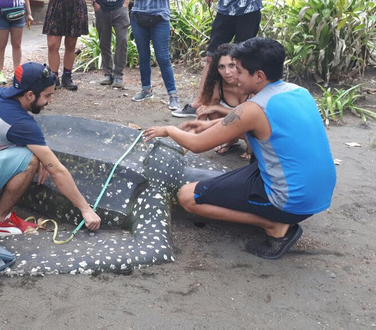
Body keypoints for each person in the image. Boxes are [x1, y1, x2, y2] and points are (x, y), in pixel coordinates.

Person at [144, 38, 336, 260]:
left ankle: (274, 225)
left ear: (259, 76)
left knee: (187, 197)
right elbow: (256, 130)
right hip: (317, 193)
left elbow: (197, 145)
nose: (234, 75)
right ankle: (276, 214)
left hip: (291, 201)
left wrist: (169, 129)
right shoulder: (298, 91)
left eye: (240, 70)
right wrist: (207, 125)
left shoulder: (252, 109)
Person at [0, 62, 102, 236]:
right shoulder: (19, 123)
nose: (50, 101)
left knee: (30, 151)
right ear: (29, 95)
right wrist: (85, 209)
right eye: (47, 96)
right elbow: (57, 171)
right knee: (30, 159)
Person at [128, 0, 181, 111]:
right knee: (143, 56)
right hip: (139, 18)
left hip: (160, 19)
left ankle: (173, 95)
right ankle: (146, 89)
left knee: (163, 58)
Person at [196, 42, 251, 158]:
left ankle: (252, 148)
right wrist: (195, 139)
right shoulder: (217, 85)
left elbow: (250, 116)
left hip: (253, 128)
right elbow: (203, 112)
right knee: (210, 111)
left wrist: (217, 107)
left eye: (232, 65)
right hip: (234, 126)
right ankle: (230, 140)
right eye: (222, 67)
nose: (227, 72)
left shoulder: (251, 83)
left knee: (248, 122)